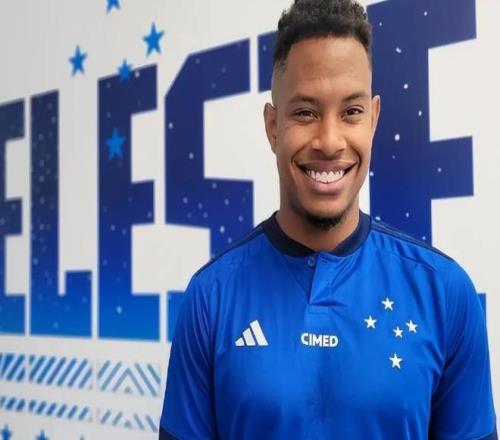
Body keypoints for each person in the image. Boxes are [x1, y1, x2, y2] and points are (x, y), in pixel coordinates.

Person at [159, 0, 497, 438]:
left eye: (351, 112)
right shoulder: (211, 298)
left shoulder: (445, 293)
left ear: (373, 120)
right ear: (273, 127)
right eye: (305, 112)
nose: (330, 141)